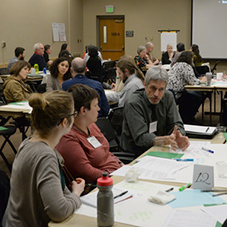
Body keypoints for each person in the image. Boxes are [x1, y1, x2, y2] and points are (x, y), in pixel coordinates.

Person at [2, 90, 85, 226]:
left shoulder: (28, 143)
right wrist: (76, 194)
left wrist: (70, 195)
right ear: (65, 122)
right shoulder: (45, 155)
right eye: (73, 114)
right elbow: (58, 212)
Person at [56, 84, 123, 184]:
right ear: (83, 110)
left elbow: (105, 151)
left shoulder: (91, 125)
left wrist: (120, 164)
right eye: (95, 105)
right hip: (101, 184)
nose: (99, 109)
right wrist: (112, 176)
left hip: (117, 173)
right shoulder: (68, 138)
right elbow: (87, 173)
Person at [121, 66, 189, 158]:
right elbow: (141, 138)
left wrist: (178, 135)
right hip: (137, 153)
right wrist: (165, 140)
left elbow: (176, 123)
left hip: (160, 149)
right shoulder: (133, 102)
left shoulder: (168, 97)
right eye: (153, 88)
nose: (156, 94)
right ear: (145, 85)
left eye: (161, 89)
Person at [167, 51, 206, 124]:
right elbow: (193, 82)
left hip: (169, 92)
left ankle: (185, 117)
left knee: (192, 94)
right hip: (176, 93)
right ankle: (187, 119)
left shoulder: (176, 64)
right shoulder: (186, 66)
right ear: (189, 59)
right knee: (197, 96)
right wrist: (203, 81)